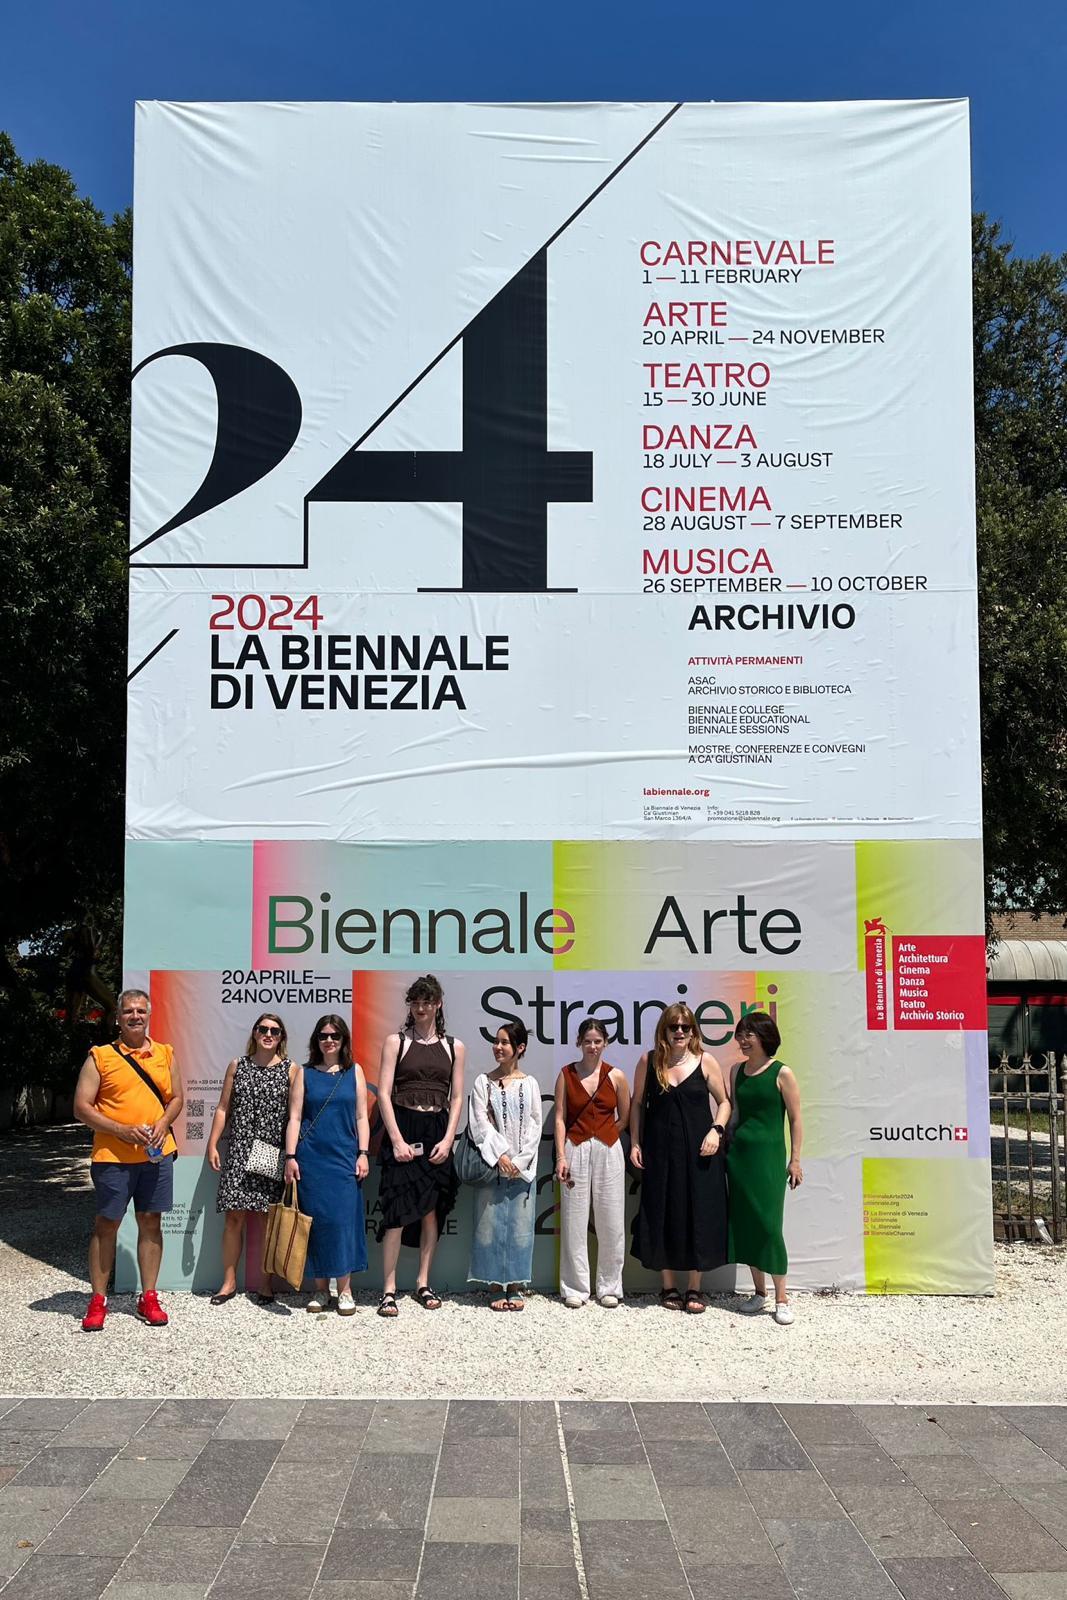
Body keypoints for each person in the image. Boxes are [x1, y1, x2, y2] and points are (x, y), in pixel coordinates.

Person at [73, 988, 183, 1332]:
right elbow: (81, 1108)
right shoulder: (100, 1056)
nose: (135, 1016)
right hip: (112, 1158)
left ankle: (149, 1296)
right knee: (107, 1224)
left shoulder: (165, 1053)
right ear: (118, 1018)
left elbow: (177, 1098)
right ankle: (98, 1299)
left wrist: (163, 1124)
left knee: (151, 1222)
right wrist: (121, 1130)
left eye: (141, 1011)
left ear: (149, 1015)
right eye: (128, 1011)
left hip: (156, 1155)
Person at [630, 1004, 731, 1313]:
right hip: (660, 1153)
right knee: (661, 1211)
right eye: (673, 1026)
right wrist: (635, 1142)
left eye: (685, 1027)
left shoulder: (706, 1060)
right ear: (664, 1029)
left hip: (700, 1153)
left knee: (699, 1212)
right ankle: (668, 1285)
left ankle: (695, 1287)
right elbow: (636, 1104)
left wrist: (716, 1130)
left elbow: (724, 1102)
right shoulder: (649, 1061)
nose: (679, 1032)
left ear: (693, 1031)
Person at [375, 975, 465, 1316]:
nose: (421, 1007)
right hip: (404, 1126)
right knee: (396, 1213)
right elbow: (384, 1094)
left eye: (427, 1001)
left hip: (437, 1130)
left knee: (431, 1213)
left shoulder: (454, 1047)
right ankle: (388, 1290)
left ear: (438, 1004)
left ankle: (423, 1283)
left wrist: (448, 1139)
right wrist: (396, 1139)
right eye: (415, 1002)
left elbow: (457, 1097)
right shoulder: (395, 1042)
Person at [206, 1013, 297, 1305]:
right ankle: (229, 1282)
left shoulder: (290, 1069)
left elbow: (295, 1116)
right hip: (239, 1148)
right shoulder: (238, 1065)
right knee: (234, 1217)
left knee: (268, 1219)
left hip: (270, 1149)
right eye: (263, 1029)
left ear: (281, 1037)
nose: (268, 1034)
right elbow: (223, 1108)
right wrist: (212, 1143)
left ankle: (265, 1283)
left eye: (275, 1031)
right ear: (255, 1033)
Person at [283, 1015, 370, 1316]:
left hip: (345, 1158)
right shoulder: (304, 1073)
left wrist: (363, 1153)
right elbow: (294, 1117)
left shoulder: (354, 1071)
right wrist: (290, 1157)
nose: (329, 1041)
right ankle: (320, 1289)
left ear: (344, 1040)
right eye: (323, 1036)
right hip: (311, 1159)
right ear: (316, 1040)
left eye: (335, 1036)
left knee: (343, 1223)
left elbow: (362, 1116)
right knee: (316, 1224)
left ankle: (345, 1290)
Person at [727, 1011, 803, 1326]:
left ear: (764, 1037)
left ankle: (782, 1298)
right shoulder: (735, 1071)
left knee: (770, 1226)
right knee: (746, 1224)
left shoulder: (782, 1072)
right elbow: (735, 1115)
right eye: (740, 1034)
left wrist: (795, 1160)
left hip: (769, 1159)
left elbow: (796, 1119)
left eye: (749, 1034)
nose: (742, 1040)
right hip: (739, 1158)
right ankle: (759, 1293)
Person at [553, 1018, 630, 1309]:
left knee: (612, 1220)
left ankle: (610, 1286)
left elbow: (624, 1117)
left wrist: (606, 1136)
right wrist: (561, 1155)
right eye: (587, 1041)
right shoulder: (566, 1074)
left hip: (609, 1149)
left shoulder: (617, 1076)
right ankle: (575, 1287)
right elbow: (559, 1118)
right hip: (574, 1147)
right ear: (579, 1043)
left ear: (605, 1043)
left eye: (597, 1041)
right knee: (573, 1220)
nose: (592, 1046)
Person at [466, 1021, 543, 1310]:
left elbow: (535, 1124)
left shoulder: (530, 1083)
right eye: (496, 1042)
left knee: (520, 1228)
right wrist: (500, 1156)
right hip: (493, 1166)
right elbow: (479, 1123)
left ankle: (516, 1284)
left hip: (522, 1169)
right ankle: (495, 1285)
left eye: (504, 1042)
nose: (497, 1047)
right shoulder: (483, 1082)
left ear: (519, 1048)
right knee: (489, 1226)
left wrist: (519, 1161)